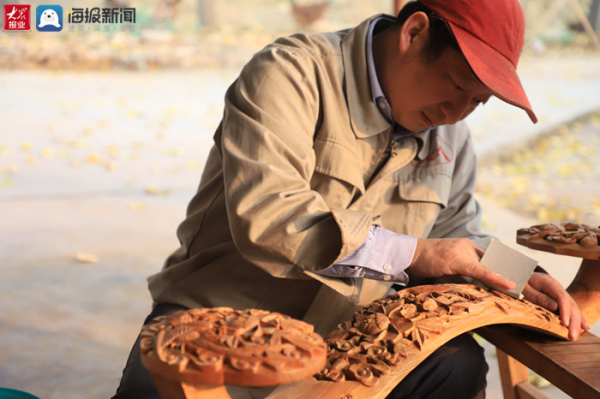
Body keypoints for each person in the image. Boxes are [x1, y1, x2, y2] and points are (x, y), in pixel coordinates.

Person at [113, 0, 589, 398]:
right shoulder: (291, 73)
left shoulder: (450, 135)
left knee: (457, 366)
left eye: (478, 101)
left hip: (348, 344)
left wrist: (524, 277)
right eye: (457, 85)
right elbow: (268, 216)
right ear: (416, 32)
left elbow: (459, 238)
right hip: (219, 324)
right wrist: (415, 254)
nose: (456, 112)